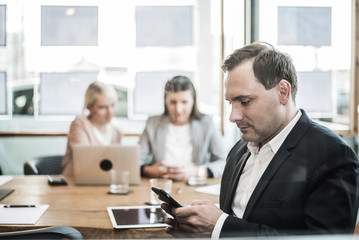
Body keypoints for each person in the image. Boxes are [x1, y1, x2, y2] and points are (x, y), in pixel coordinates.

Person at [160, 42, 359, 237]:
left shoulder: (332, 155)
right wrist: (203, 228)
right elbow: (237, 219)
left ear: (283, 92)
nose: (233, 116)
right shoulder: (239, 150)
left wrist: (219, 226)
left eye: (244, 101)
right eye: (230, 103)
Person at [139, 75, 226, 181]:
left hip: (194, 185)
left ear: (193, 102)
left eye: (184, 102)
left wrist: (195, 172)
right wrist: (149, 171)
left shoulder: (207, 123)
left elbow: (223, 162)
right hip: (162, 184)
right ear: (165, 102)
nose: (178, 109)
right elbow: (137, 160)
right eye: (173, 102)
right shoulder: (152, 123)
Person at [62, 81, 122, 176]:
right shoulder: (79, 125)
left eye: (112, 105)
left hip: (101, 182)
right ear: (89, 106)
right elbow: (85, 161)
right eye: (103, 107)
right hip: (75, 182)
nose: (110, 112)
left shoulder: (116, 131)